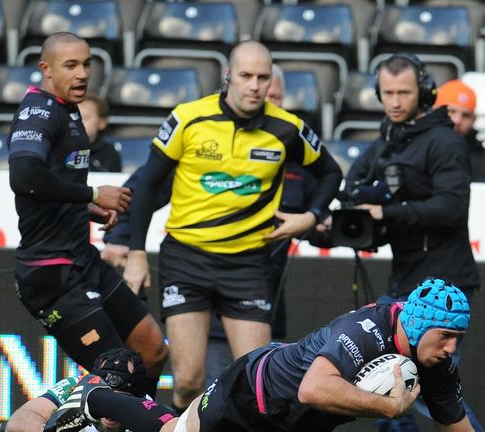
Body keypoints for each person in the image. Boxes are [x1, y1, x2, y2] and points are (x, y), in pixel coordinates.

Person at [122, 40, 343, 412]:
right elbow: (145, 186)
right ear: (228, 77)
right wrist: (136, 253)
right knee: (190, 382)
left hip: (249, 264)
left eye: (262, 77)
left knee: (257, 384)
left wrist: (312, 215)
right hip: (187, 259)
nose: (254, 85)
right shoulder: (188, 118)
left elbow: (331, 173)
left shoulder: (287, 128)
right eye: (245, 76)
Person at [100, 64, 315, 384]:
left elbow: (321, 219)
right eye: (259, 92)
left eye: (276, 97)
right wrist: (120, 238)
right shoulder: (205, 146)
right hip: (207, 304)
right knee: (207, 395)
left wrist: (319, 224)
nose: (266, 102)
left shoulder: (296, 155)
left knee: (260, 399)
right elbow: (142, 191)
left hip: (262, 301)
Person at [43, 278, 475, 432]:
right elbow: (312, 389)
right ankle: (95, 397)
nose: (453, 347)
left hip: (301, 425)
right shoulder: (363, 331)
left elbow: (456, 424)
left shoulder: (434, 357)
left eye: (459, 337)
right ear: (417, 325)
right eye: (447, 335)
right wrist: (391, 406)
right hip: (252, 395)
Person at [6, 32, 168, 398]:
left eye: (87, 63)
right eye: (71, 65)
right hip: (50, 275)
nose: (82, 73)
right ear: (45, 69)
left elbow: (52, 180)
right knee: (118, 374)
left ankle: (133, 418)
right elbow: (25, 178)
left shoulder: (69, 108)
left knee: (153, 351)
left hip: (83, 260)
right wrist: (93, 193)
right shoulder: (39, 113)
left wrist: (85, 207)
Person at [341, 53, 483, 432]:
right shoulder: (388, 140)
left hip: (445, 286)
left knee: (434, 395)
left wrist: (387, 213)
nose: (395, 101)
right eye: (387, 93)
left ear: (423, 92)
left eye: (404, 92)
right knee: (387, 388)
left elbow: (452, 208)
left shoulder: (443, 141)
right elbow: (352, 189)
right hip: (405, 283)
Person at [4, 348, 159, 432]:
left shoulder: (147, 411)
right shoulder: (74, 386)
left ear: (139, 398)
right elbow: (20, 420)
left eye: (121, 398)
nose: (111, 407)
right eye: (107, 396)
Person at [433, 80, 485, 183]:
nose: (458, 120)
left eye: (466, 115)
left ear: (474, 120)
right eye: (451, 111)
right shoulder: (418, 148)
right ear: (435, 112)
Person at [79, 92, 122, 172]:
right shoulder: (61, 148)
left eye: (84, 118)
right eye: (74, 116)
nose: (78, 122)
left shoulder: (109, 153)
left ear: (102, 122)